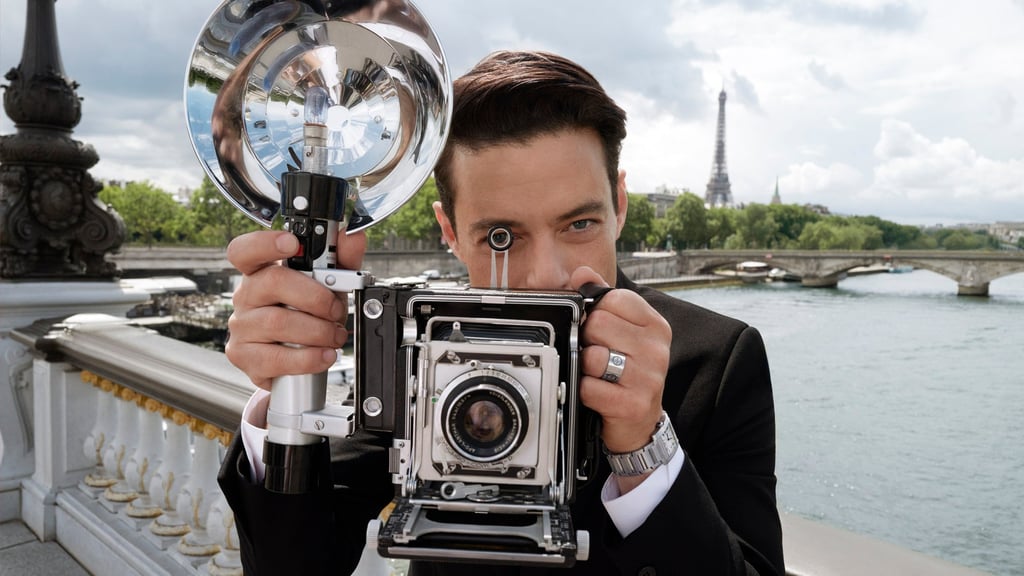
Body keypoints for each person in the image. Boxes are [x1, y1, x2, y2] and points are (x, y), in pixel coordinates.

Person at [218, 50, 784, 575]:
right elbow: (294, 565)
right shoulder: (419, 341)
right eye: (500, 236)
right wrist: (289, 394)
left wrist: (643, 447)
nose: (545, 277)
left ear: (620, 205)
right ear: (450, 232)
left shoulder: (717, 358)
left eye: (579, 224)